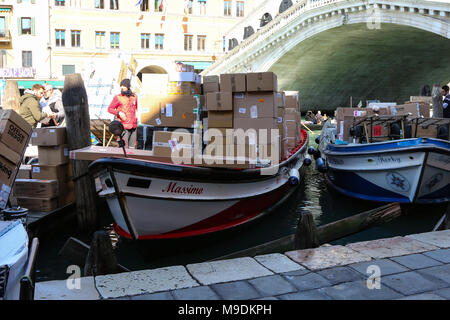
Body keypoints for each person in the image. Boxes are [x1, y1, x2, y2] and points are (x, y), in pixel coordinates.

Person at [108, 78, 138, 148]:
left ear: (128, 87)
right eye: (121, 86)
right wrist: (119, 113)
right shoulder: (118, 97)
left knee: (132, 148)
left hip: (133, 126)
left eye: (123, 86)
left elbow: (137, 108)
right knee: (123, 148)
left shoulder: (134, 97)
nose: (121, 87)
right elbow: (109, 109)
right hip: (123, 126)